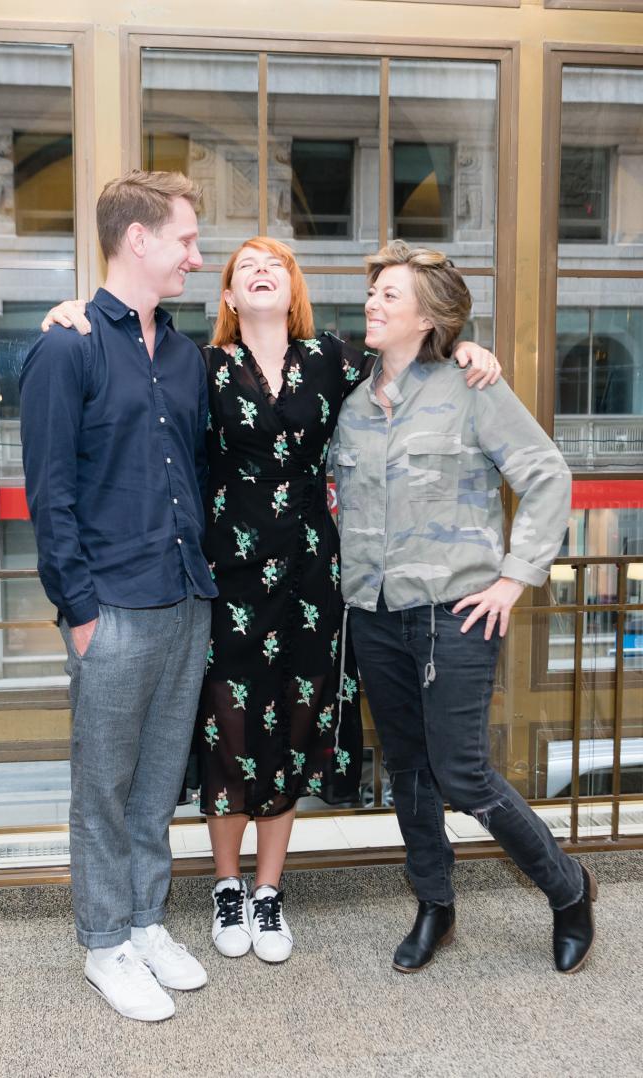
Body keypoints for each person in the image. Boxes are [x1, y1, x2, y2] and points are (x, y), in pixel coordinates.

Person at [43, 231, 500, 967]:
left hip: (312, 577)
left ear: (293, 289)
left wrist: (471, 350)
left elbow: (417, 353)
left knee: (292, 722)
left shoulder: (337, 359)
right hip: (224, 578)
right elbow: (132, 361)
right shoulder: (198, 365)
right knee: (227, 729)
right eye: (243, 267)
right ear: (227, 296)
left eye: (275, 265)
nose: (259, 272)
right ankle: (225, 888)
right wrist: (71, 313)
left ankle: (267, 892)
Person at [332, 239, 596, 976]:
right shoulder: (348, 398)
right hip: (375, 612)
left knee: (463, 772)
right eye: (374, 291)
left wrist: (514, 578)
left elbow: (547, 475)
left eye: (390, 294)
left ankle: (568, 888)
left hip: (457, 611)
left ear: (428, 316)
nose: (373, 303)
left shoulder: (471, 387)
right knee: (409, 771)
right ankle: (435, 906)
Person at [20, 170, 216, 1022]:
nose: (195, 258)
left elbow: (201, 471)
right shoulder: (66, 347)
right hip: (113, 608)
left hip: (186, 599)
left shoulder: (181, 353)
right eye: (185, 240)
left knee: (157, 784)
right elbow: (48, 492)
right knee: (101, 786)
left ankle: (143, 921)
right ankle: (104, 943)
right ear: (137, 239)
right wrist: (80, 611)